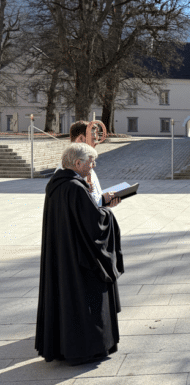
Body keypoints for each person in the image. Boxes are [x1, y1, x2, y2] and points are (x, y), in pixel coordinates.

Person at [36, 143, 123, 365]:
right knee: (85, 302)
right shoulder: (75, 187)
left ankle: (64, 348)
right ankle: (86, 350)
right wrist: (108, 212)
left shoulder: (57, 184)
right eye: (91, 162)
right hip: (80, 260)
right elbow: (94, 225)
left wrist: (99, 204)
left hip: (64, 254)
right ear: (77, 163)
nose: (93, 165)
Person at [59, 121, 119, 208]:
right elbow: (74, 206)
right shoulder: (67, 167)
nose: (96, 143)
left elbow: (92, 198)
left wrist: (103, 200)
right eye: (93, 139)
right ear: (80, 139)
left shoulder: (86, 162)